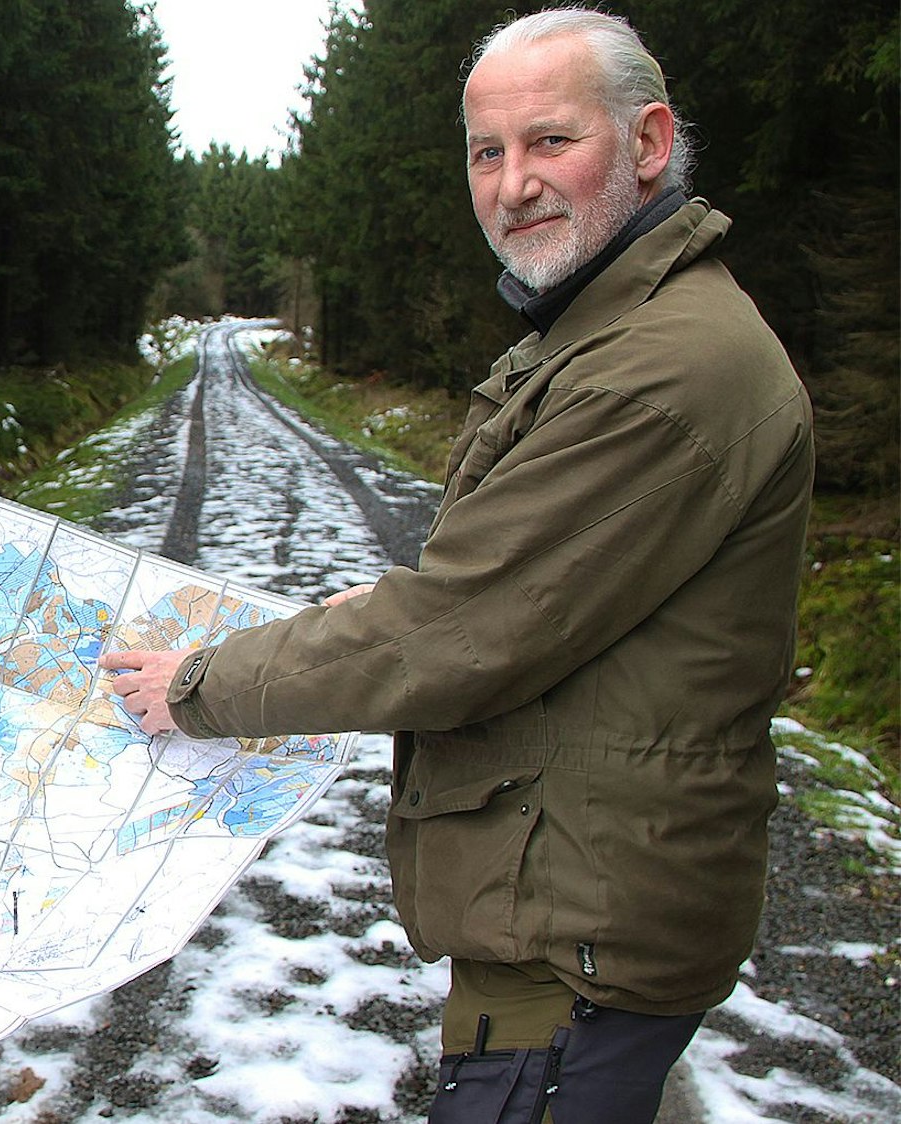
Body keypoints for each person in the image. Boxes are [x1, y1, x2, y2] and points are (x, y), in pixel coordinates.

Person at [100, 8, 813, 1123]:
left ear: (648, 142)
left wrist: (200, 685)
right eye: (487, 152)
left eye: (550, 140)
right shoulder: (605, 329)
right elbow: (535, 589)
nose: (513, 183)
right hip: (576, 905)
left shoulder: (661, 366)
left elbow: (463, 627)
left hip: (578, 944)